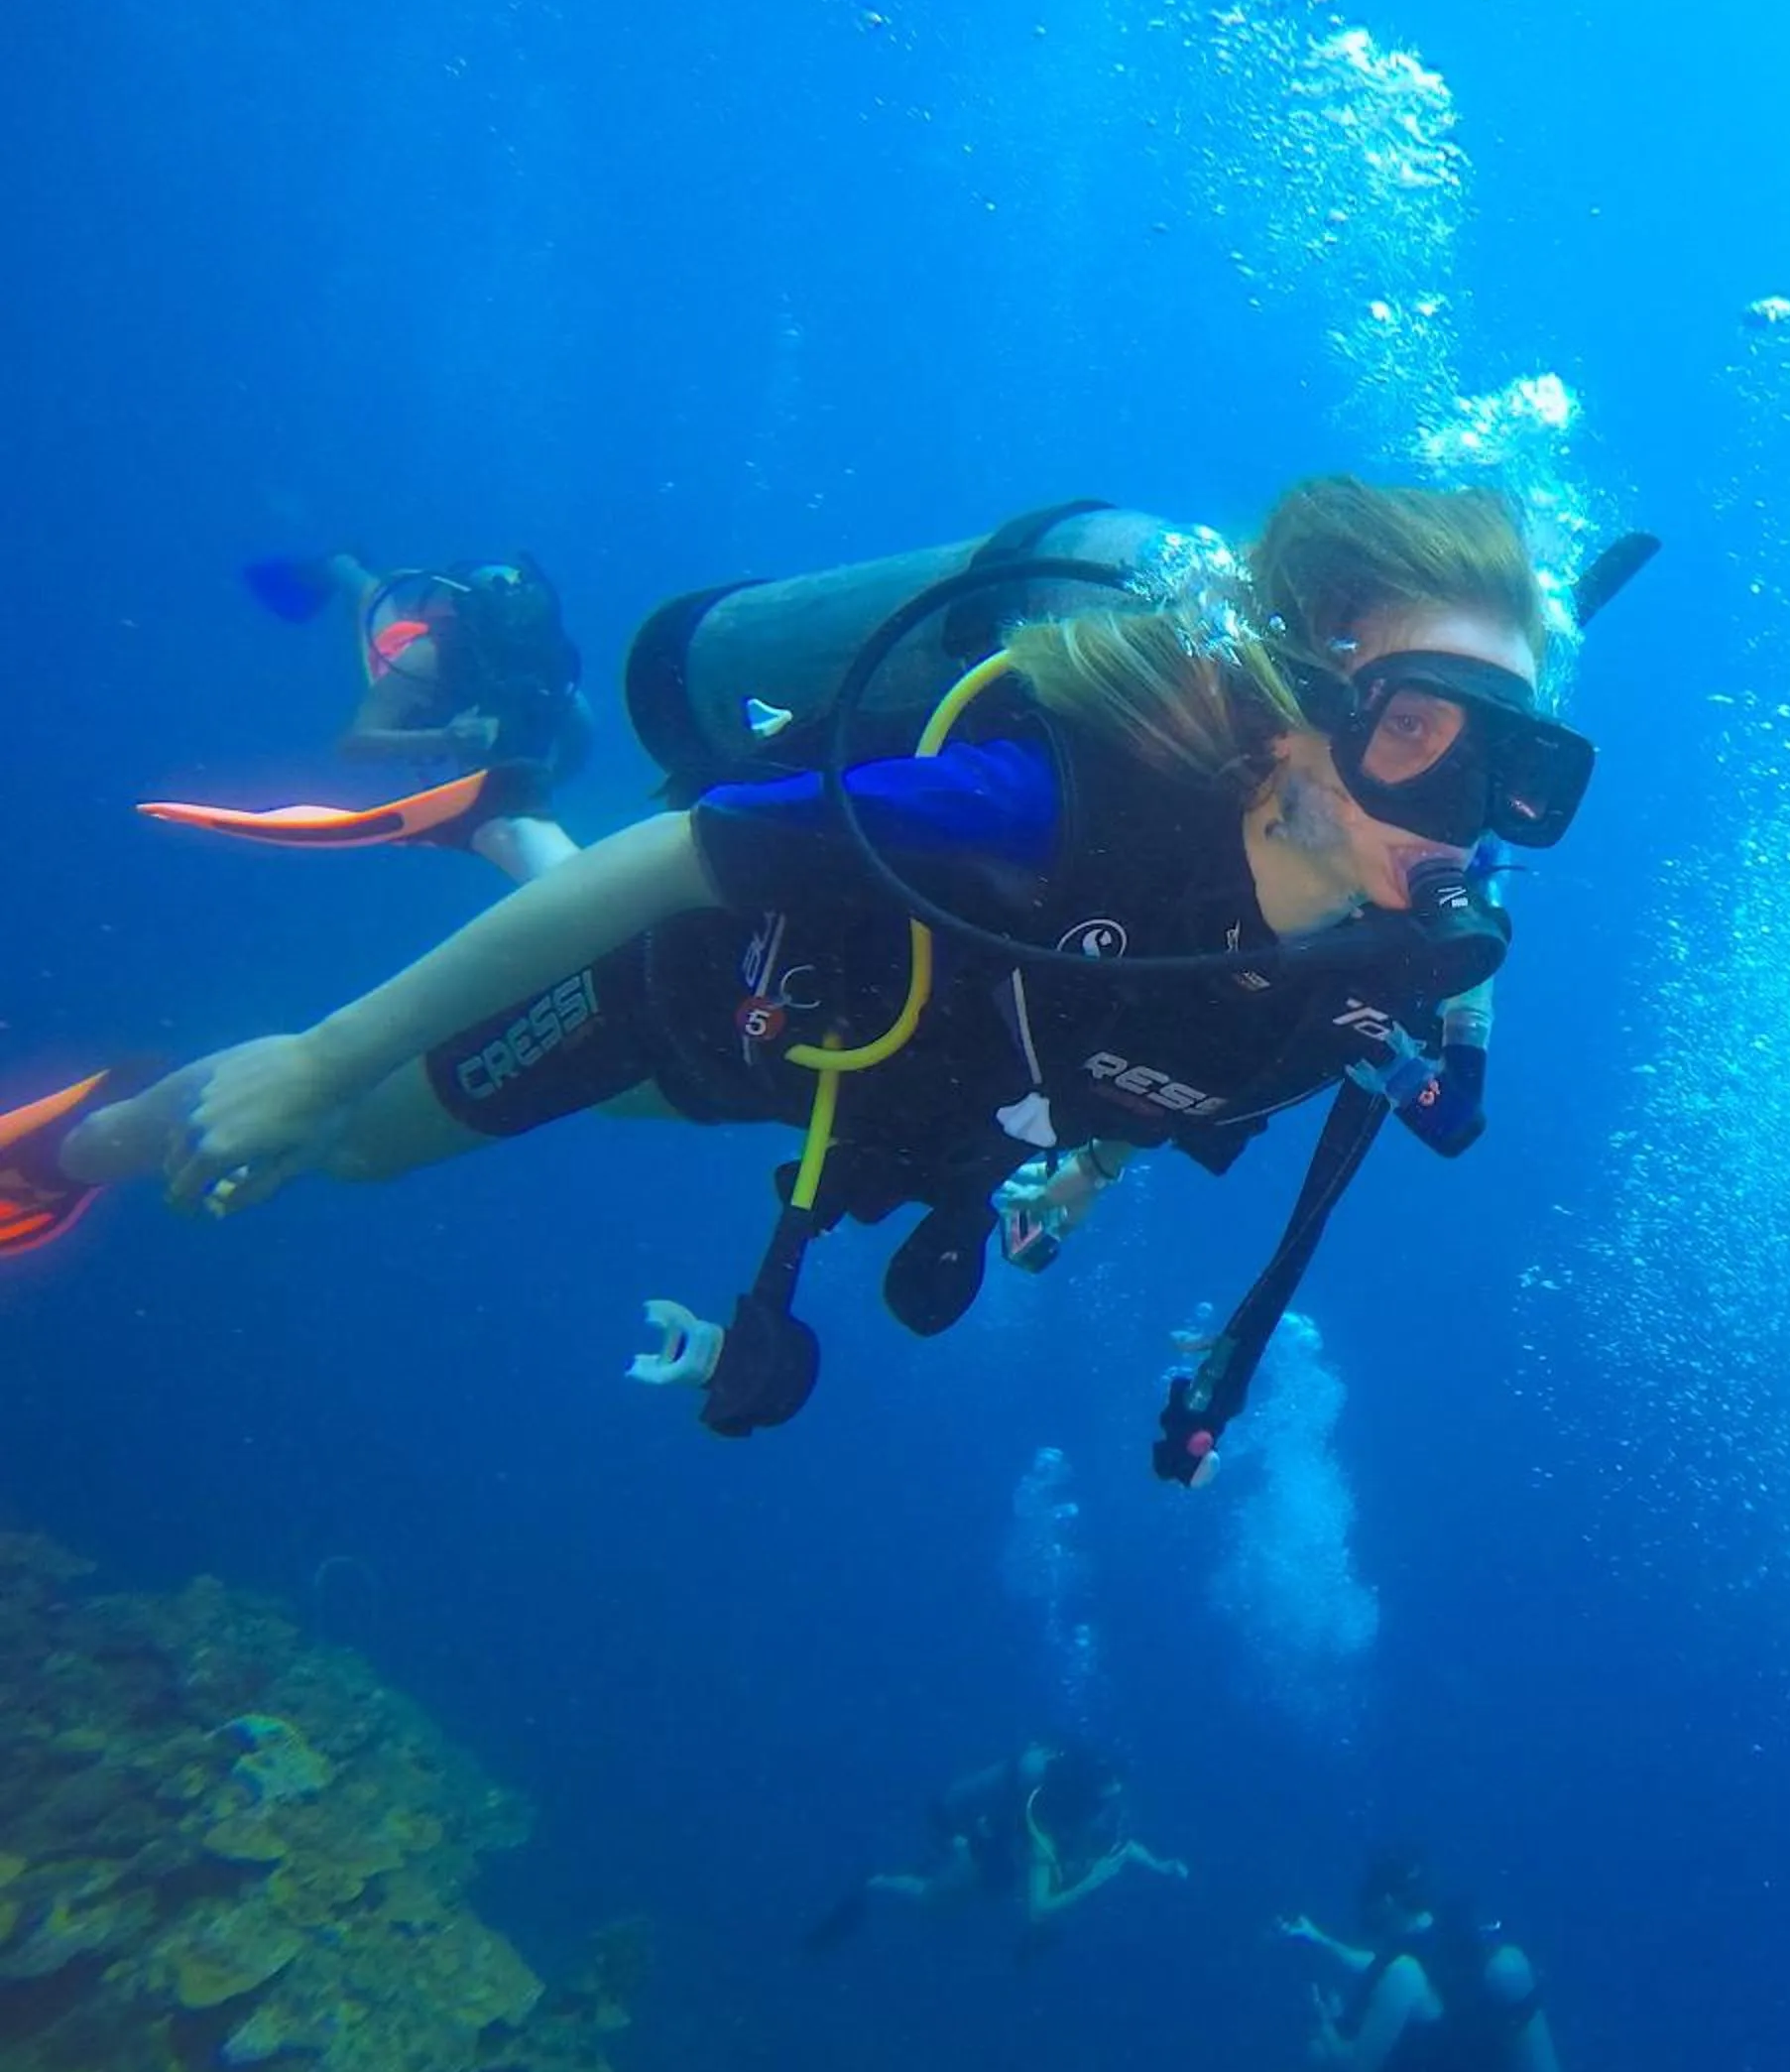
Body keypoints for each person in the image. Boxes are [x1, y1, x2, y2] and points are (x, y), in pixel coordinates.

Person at [0, 481, 1626, 1477]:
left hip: (846, 1085)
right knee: (341, 1141)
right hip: (704, 1002)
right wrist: (318, 1054)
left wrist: (1086, 1171)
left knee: (449, 1065)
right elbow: (690, 856)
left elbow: (1201, 1049)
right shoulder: (1043, 800)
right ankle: (67, 1148)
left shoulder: (1387, 974)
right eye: (1420, 732)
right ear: (1290, 704)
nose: (1466, 815)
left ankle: (499, 822)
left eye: (1513, 772)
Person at [148, 549, 594, 881]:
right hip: (418, 681)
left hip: (471, 728)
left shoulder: (550, 664)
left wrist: (544, 784)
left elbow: (579, 733)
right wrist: (444, 739)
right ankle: (341, 563)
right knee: (374, 596)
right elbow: (355, 743)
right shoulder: (428, 657)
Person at [805, 1741, 1188, 1958]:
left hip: (1010, 1838)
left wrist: (1161, 1864)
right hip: (991, 1834)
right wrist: (1096, 1879)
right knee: (932, 1902)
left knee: (979, 1893)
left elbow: (1121, 1847)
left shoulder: (1091, 1813)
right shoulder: (1047, 1825)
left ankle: (944, 1859)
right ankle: (876, 1881)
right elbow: (1040, 1908)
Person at [1277, 1847, 1565, 2072]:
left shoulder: (1403, 1970)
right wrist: (1323, 1941)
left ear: (1386, 1901)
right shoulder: (1457, 1951)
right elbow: (1375, 1964)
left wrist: (1328, 2026)